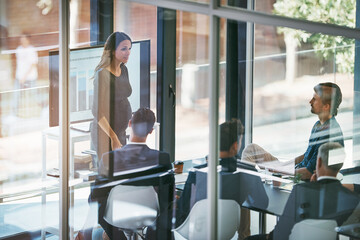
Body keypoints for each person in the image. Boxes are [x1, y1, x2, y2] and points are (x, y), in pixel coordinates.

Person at [77, 108, 172, 240]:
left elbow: (95, 198)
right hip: (148, 215)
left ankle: (115, 236)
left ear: (129, 124)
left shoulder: (109, 158)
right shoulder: (162, 158)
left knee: (95, 198)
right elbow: (168, 197)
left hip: (115, 216)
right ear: (151, 131)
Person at [245, 142, 360, 240]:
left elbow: (280, 233)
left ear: (318, 162)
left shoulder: (301, 191)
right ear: (340, 167)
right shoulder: (351, 199)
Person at [242, 82, 344, 180]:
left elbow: (309, 173)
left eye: (315, 99)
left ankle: (246, 189)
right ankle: (246, 186)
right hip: (293, 169)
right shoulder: (318, 125)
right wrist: (283, 166)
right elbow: (306, 155)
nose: (310, 102)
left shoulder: (329, 134)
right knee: (251, 149)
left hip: (298, 176)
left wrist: (280, 171)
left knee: (251, 153)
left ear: (326, 106)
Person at [176, 119, 257, 240]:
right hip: (228, 230)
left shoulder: (197, 172)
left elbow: (184, 207)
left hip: (196, 228)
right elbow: (263, 202)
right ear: (235, 146)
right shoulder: (247, 171)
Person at [90, 31, 133, 165]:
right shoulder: (102, 75)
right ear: (113, 51)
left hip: (120, 131)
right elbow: (98, 111)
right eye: (124, 49)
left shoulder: (124, 69)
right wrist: (113, 138)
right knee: (107, 173)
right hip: (106, 134)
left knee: (121, 171)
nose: (128, 52)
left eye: (129, 48)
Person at [14, 34, 38, 114]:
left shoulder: (32, 50)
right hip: (19, 77)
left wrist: (24, 77)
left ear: (28, 40)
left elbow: (33, 64)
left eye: (24, 39)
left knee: (35, 94)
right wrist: (20, 76)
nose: (22, 41)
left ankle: (44, 110)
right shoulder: (18, 49)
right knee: (16, 96)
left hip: (30, 77)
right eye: (21, 39)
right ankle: (14, 114)